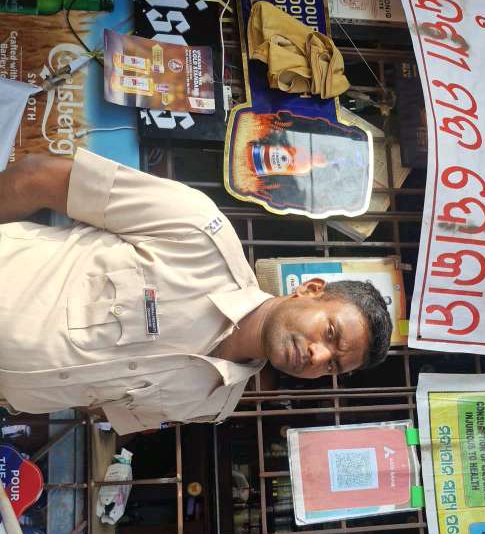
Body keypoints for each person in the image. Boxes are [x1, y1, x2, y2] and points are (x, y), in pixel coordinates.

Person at [0, 151, 392, 434]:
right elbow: (38, 177)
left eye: (332, 367)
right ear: (309, 290)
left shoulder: (214, 404)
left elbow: (96, 405)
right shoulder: (198, 231)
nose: (318, 356)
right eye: (330, 333)